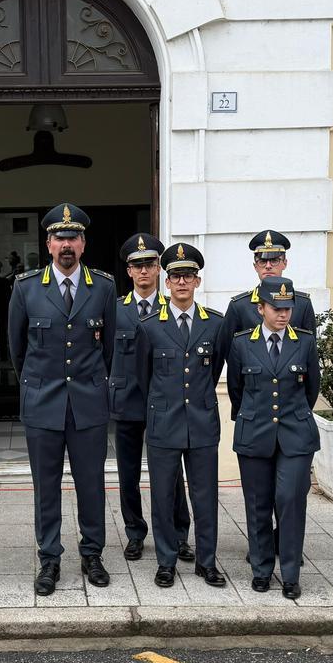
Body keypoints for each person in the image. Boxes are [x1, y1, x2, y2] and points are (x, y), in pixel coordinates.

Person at [8, 202, 116, 595]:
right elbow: (17, 350)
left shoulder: (103, 286)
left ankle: (92, 555)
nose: (66, 245)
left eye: (73, 238)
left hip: (88, 403)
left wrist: (92, 386)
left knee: (91, 484)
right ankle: (49, 559)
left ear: (83, 243)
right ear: (48, 244)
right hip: (43, 405)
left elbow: (110, 352)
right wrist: (38, 387)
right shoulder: (25, 287)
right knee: (46, 486)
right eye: (59, 238)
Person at [134, 242, 232, 588]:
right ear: (167, 282)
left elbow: (216, 366)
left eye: (188, 276)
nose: (181, 282)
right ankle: (166, 561)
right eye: (175, 276)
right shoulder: (149, 326)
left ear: (197, 281)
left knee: (205, 496)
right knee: (162, 496)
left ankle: (206, 562)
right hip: (164, 422)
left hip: (202, 422)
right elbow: (142, 376)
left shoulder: (215, 325)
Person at [227, 276, 320, 600]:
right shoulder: (241, 343)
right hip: (255, 432)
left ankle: (291, 574)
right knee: (258, 503)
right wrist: (254, 414)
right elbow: (237, 390)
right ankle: (262, 570)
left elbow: (312, 389)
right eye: (276, 308)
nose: (283, 314)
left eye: (288, 307)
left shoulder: (305, 341)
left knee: (290, 500)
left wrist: (293, 416)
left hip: (296, 434)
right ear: (260, 307)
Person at [110, 233, 193, 563]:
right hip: (127, 401)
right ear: (128, 271)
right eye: (137, 265)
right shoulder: (114, 310)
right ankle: (135, 532)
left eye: (150, 264)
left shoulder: (172, 307)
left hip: (166, 403)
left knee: (172, 474)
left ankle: (178, 534)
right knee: (128, 473)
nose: (144, 271)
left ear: (160, 268)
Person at [225, 230, 316, 338]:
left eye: (274, 260)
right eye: (262, 261)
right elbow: (227, 351)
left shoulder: (302, 304)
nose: (268, 266)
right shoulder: (239, 306)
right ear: (255, 266)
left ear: (285, 263)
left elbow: (309, 349)